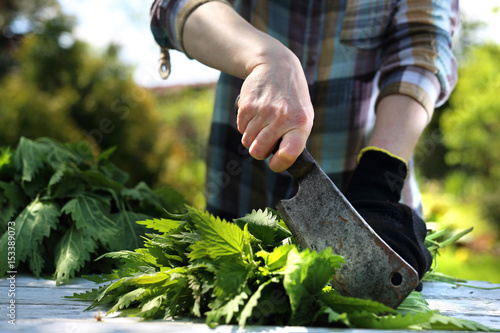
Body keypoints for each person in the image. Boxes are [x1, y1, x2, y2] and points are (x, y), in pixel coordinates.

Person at [150, 0, 459, 282]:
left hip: (377, 219)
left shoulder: (378, 197)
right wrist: (264, 57)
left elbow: (424, 47)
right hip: (239, 214)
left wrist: (379, 180)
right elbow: (174, 6)